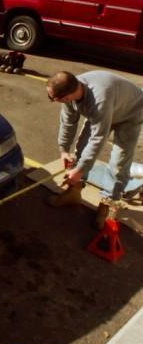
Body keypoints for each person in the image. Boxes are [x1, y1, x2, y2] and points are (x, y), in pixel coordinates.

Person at [47, 71, 143, 227]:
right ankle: (74, 193)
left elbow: (98, 139)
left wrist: (79, 170)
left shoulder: (99, 100)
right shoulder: (70, 91)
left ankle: (107, 204)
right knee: (81, 148)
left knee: (119, 162)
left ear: (67, 97)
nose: (52, 100)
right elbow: (68, 123)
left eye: (53, 99)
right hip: (110, 105)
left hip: (130, 112)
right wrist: (64, 150)